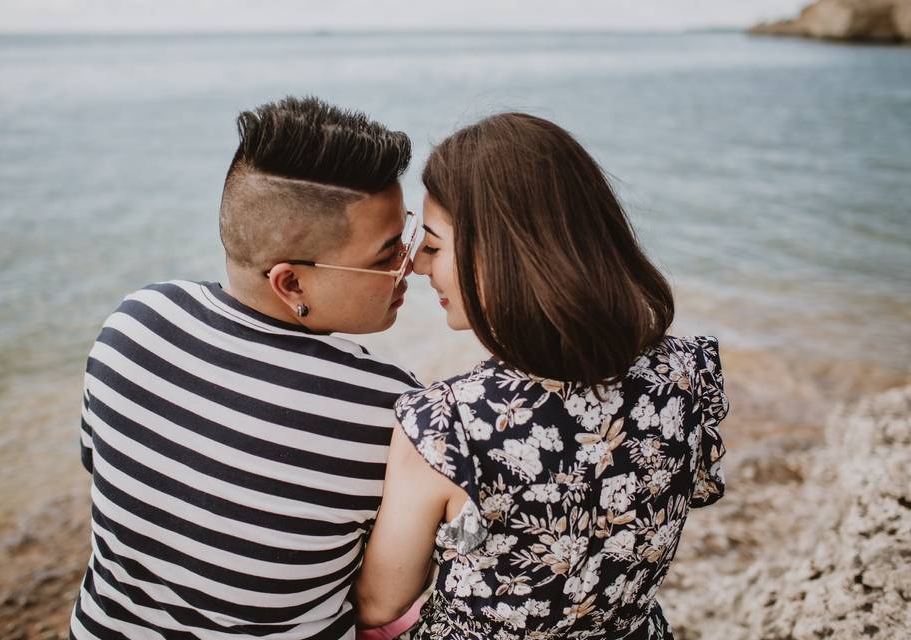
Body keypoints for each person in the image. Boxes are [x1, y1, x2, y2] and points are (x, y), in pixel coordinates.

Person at [354, 113, 729, 640]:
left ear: (497, 257)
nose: (416, 265)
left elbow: (380, 602)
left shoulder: (448, 423)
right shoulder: (689, 374)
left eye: (434, 246)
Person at [70, 96, 422, 639]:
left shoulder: (136, 322)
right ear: (291, 283)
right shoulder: (390, 408)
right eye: (387, 255)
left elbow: (105, 468)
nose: (411, 265)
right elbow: (381, 594)